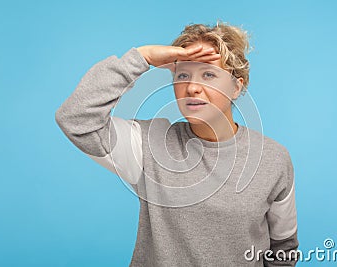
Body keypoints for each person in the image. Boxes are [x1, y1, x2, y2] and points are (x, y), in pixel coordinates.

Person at [55, 22, 299, 266]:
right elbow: (76, 118)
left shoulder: (273, 159)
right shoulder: (148, 145)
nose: (192, 87)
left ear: (237, 86)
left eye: (209, 74)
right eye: (183, 75)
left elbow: (283, 251)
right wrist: (143, 57)